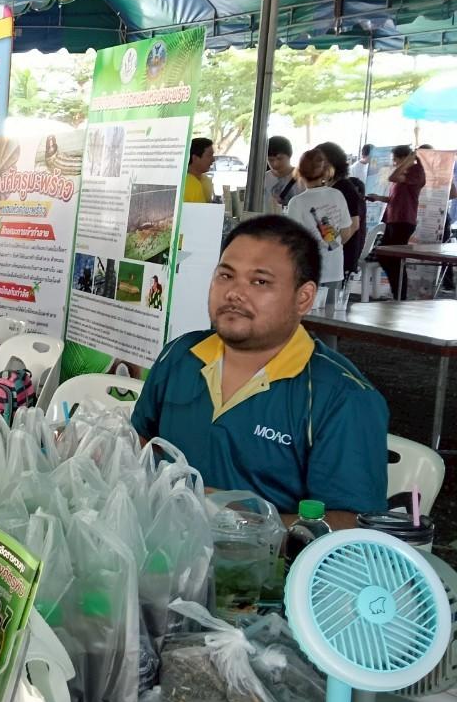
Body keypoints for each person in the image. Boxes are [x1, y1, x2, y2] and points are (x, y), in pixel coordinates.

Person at [132, 216, 387, 524]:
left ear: (303, 298)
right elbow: (142, 442)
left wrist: (238, 523)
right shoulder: (181, 355)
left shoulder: (341, 397)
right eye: (225, 276)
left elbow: (350, 525)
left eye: (260, 282)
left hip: (266, 568)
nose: (234, 293)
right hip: (159, 552)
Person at [286, 149, 354, 294]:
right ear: (327, 172)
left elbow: (293, 241)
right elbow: (346, 233)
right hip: (335, 267)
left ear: (300, 172)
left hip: (308, 269)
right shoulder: (337, 195)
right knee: (329, 312)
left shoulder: (296, 202)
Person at [367, 144, 426, 299]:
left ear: (403, 158)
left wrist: (408, 161)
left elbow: (393, 177)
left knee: (395, 259)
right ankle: (397, 293)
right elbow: (396, 198)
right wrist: (379, 198)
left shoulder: (416, 171)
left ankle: (400, 295)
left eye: (395, 160)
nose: (394, 163)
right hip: (393, 219)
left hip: (404, 220)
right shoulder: (403, 172)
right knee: (384, 256)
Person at [317, 142, 366, 277]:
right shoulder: (330, 188)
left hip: (342, 257)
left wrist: (332, 248)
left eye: (322, 163)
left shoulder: (345, 188)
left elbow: (354, 225)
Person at [264, 135, 305, 213]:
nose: (275, 164)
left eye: (280, 158)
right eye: (270, 160)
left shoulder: (303, 177)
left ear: (289, 155)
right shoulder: (263, 179)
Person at [183, 137, 214, 203]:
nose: (213, 159)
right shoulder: (187, 183)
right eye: (209, 155)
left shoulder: (206, 180)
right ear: (195, 158)